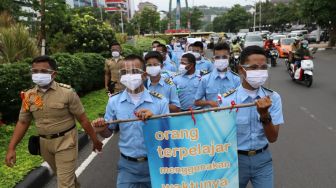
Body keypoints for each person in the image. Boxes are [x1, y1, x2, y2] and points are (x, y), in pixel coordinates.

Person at [5, 56, 103, 188]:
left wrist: (95, 140)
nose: (38, 74)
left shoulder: (67, 93)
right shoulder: (29, 96)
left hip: (66, 142)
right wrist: (11, 148)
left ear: (54, 74)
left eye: (43, 71)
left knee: (64, 184)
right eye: (35, 71)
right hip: (45, 144)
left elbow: (83, 119)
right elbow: (23, 122)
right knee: (64, 177)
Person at [92, 54, 169, 188]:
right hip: (127, 166)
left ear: (144, 75)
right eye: (124, 72)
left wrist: (154, 120)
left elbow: (169, 135)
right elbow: (109, 132)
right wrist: (101, 128)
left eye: (134, 72)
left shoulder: (160, 101)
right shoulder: (114, 101)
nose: (129, 76)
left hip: (156, 164)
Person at [221, 46, 284, 188]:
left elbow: (273, 138)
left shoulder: (273, 98)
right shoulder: (226, 101)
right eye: (254, 67)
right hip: (234, 161)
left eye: (263, 67)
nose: (259, 72)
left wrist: (264, 115)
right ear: (241, 69)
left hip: (262, 160)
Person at [194, 43, 240, 108]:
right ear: (213, 59)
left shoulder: (236, 79)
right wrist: (209, 102)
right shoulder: (205, 79)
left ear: (229, 57)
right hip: (211, 116)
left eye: (224, 57)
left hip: (230, 116)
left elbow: (240, 101)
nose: (221, 60)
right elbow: (196, 102)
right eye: (218, 57)